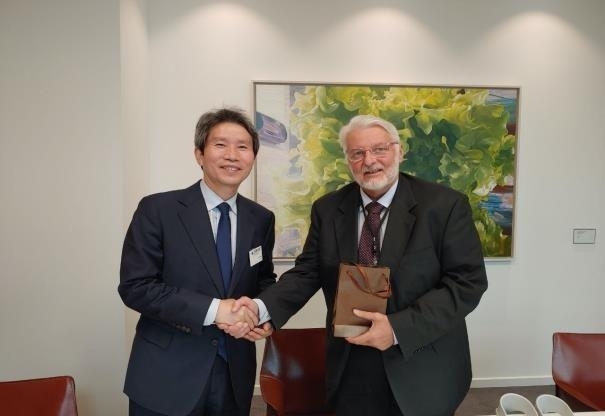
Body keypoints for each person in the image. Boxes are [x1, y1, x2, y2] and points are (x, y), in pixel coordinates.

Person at [229, 114, 488, 415]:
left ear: (399, 151)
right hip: (351, 363)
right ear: (348, 160)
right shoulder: (327, 209)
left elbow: (467, 282)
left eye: (380, 149)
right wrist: (262, 309)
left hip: (421, 359)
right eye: (358, 153)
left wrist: (396, 329)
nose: (370, 160)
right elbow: (307, 273)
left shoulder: (444, 205)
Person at [118, 107, 276, 416]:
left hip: (234, 372)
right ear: (199, 154)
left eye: (242, 147)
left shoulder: (261, 219)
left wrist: (262, 314)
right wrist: (217, 310)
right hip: (166, 375)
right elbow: (136, 287)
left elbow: (263, 280)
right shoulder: (158, 209)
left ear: (252, 158)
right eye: (220, 144)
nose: (232, 155)